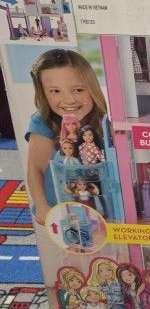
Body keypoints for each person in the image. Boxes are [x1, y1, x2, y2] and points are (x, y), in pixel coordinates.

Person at [26, 49, 107, 225]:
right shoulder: (43, 122)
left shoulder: (105, 120)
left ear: (91, 88)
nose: (69, 100)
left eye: (78, 90)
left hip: (103, 209)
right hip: (60, 212)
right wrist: (42, 206)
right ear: (43, 94)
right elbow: (35, 168)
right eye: (55, 91)